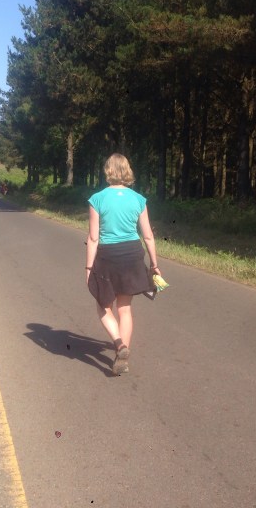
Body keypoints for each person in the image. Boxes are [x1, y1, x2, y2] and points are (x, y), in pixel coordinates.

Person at [85, 154, 162, 376]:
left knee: (103, 305)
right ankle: (123, 358)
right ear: (127, 170)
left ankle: (119, 345)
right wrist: (154, 264)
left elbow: (93, 238)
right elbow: (148, 236)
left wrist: (88, 268)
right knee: (125, 308)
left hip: (108, 256)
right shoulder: (139, 199)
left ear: (107, 170)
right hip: (132, 254)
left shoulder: (97, 199)